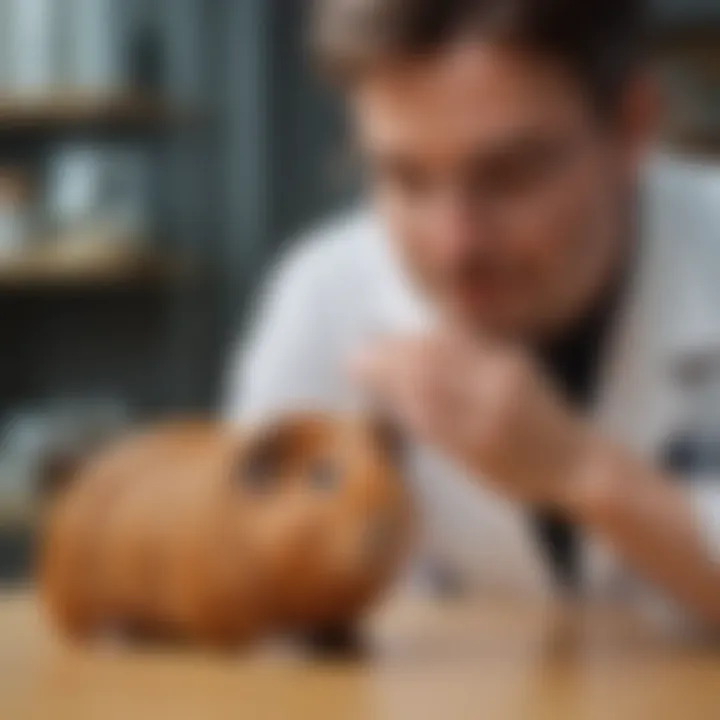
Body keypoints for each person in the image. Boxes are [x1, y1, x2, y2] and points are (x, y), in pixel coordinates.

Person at [227, 0, 720, 625]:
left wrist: (576, 469)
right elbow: (245, 578)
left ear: (633, 126)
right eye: (406, 178)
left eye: (511, 176)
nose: (455, 245)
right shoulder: (325, 291)